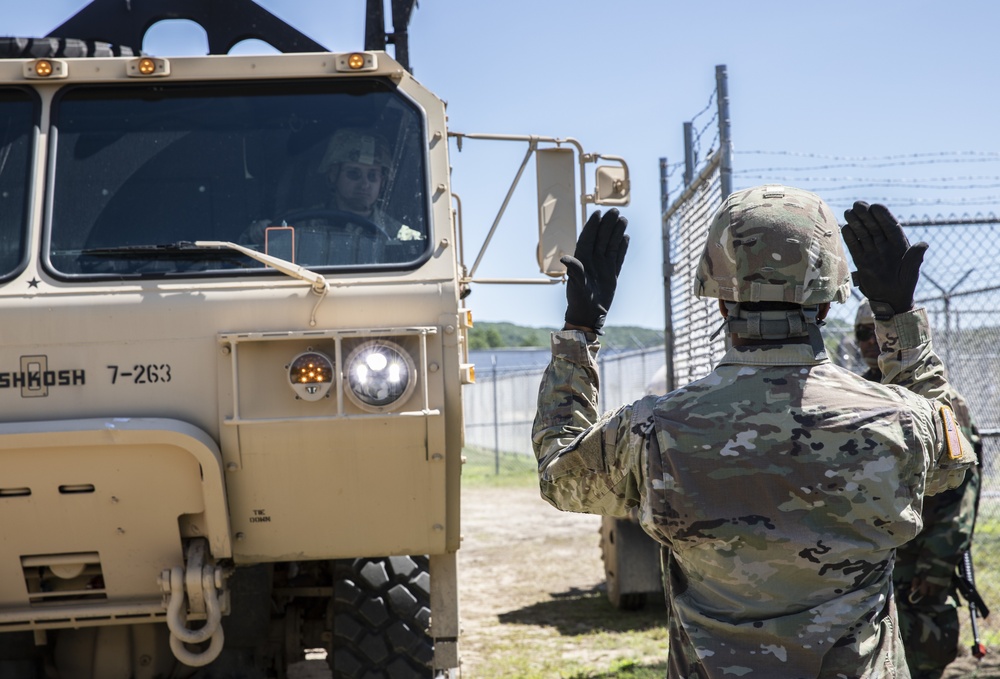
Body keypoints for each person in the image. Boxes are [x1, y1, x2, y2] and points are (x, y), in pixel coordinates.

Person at [532, 185, 976, 678]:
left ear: (720, 301)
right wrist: (899, 318)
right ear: (828, 304)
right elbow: (953, 459)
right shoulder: (901, 422)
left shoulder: (653, 431)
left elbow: (560, 475)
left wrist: (581, 331)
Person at [855, 300, 984, 678]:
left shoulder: (940, 400)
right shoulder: (858, 393)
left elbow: (962, 491)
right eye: (863, 334)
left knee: (924, 649)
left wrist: (939, 562)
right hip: (875, 552)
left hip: (921, 554)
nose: (870, 343)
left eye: (878, 334)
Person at [241, 127, 422, 265]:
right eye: (354, 174)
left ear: (382, 182)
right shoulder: (298, 225)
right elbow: (249, 257)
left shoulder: (399, 235)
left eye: (372, 175)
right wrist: (255, 235)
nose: (365, 184)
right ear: (333, 175)